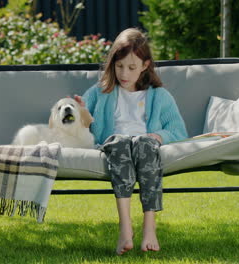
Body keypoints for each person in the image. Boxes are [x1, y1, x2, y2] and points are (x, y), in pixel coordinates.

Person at [74, 28, 188, 255]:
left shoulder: (159, 96)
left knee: (145, 144)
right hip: (114, 143)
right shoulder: (101, 91)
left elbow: (178, 130)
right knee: (119, 143)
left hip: (145, 144)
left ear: (145, 65)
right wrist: (82, 111)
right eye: (119, 66)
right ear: (112, 64)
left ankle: (149, 228)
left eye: (131, 67)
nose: (124, 73)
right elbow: (82, 120)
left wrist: (159, 136)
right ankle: (125, 228)